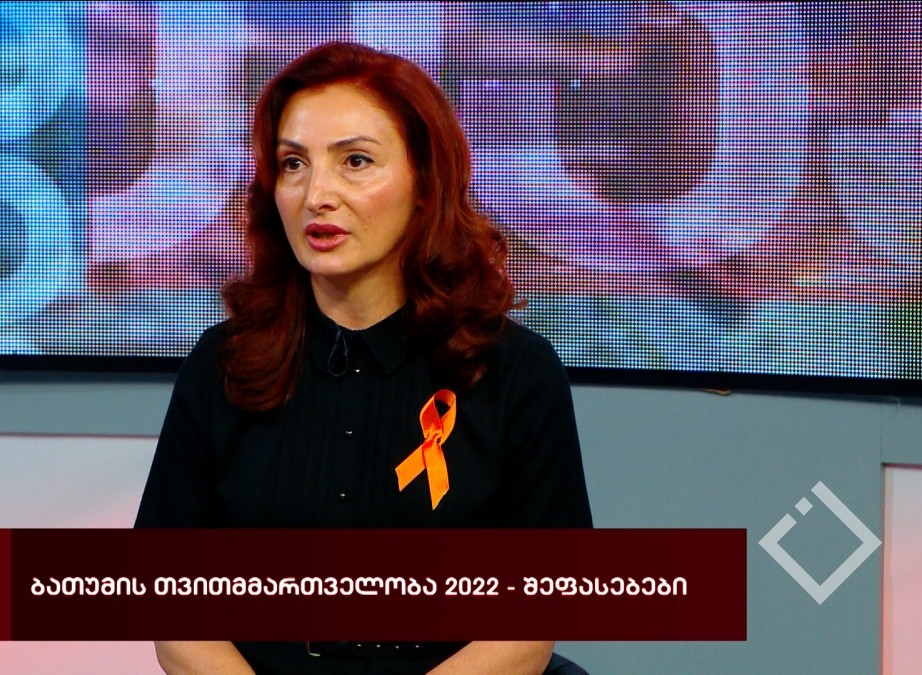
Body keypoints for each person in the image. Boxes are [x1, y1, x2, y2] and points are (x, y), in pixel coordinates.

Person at [135, 41, 591, 674]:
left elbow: (531, 623)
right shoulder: (224, 363)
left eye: (355, 161)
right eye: (293, 164)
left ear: (424, 183)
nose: (316, 193)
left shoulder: (515, 372)